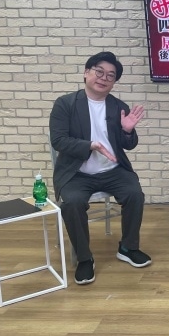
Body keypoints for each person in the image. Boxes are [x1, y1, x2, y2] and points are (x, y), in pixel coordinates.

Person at [49, 51, 151, 285]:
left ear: (114, 82)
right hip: (77, 173)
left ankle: (128, 248)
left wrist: (127, 130)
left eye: (110, 75)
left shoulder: (118, 107)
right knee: (72, 203)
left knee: (135, 194)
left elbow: (129, 145)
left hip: (113, 170)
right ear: (87, 73)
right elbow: (59, 141)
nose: (104, 78)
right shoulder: (65, 104)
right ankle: (85, 258)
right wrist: (90, 145)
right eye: (99, 72)